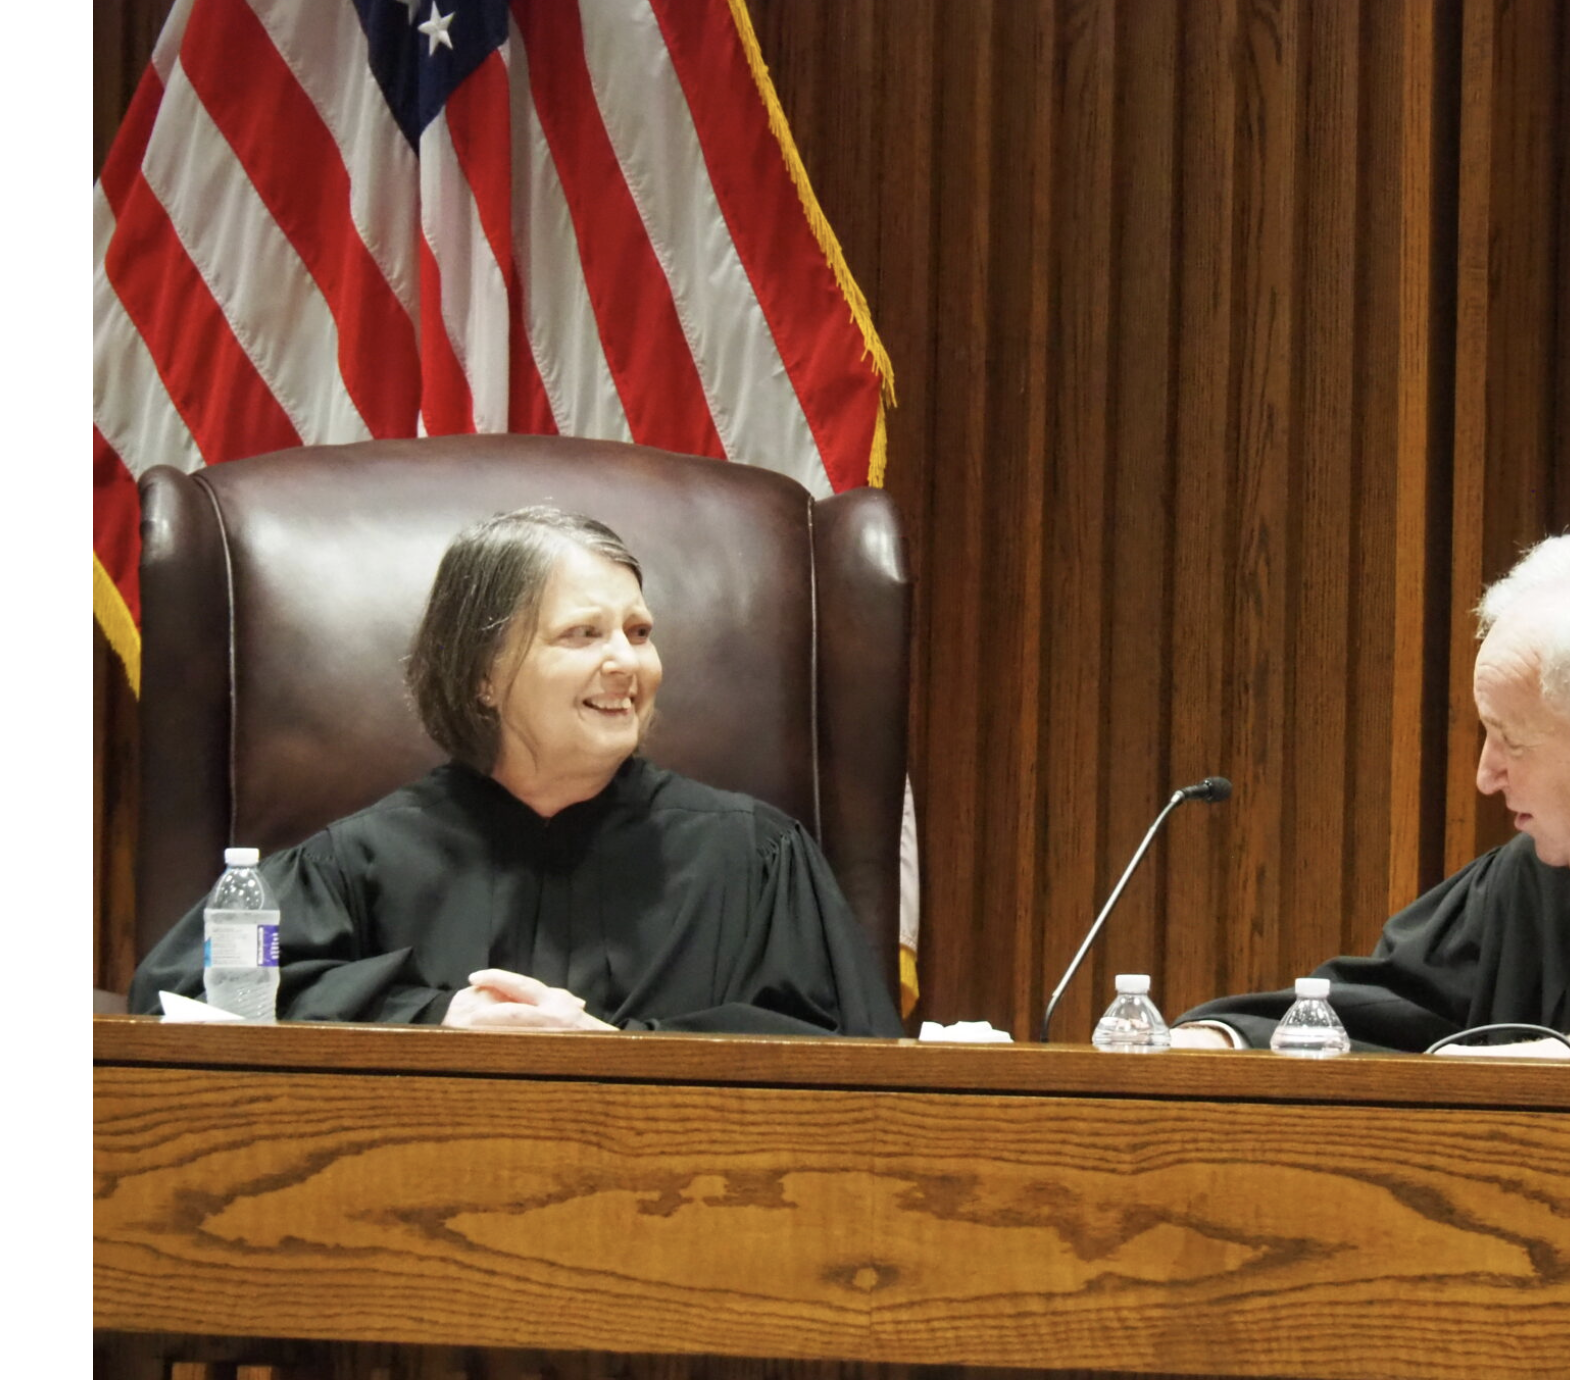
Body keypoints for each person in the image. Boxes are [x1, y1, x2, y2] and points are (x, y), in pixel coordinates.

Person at [129, 507, 903, 1038]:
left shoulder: (754, 858)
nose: (627, 662)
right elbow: (180, 996)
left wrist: (616, 1047)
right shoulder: (361, 862)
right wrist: (437, 1018)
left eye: (638, 632)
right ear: (483, 676)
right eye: (583, 634)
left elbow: (854, 1060)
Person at [1173, 533, 1570, 1058]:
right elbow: (1395, 1007)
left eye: (1512, 741)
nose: (1486, 776)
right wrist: (1226, 1038)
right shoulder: (1530, 883)